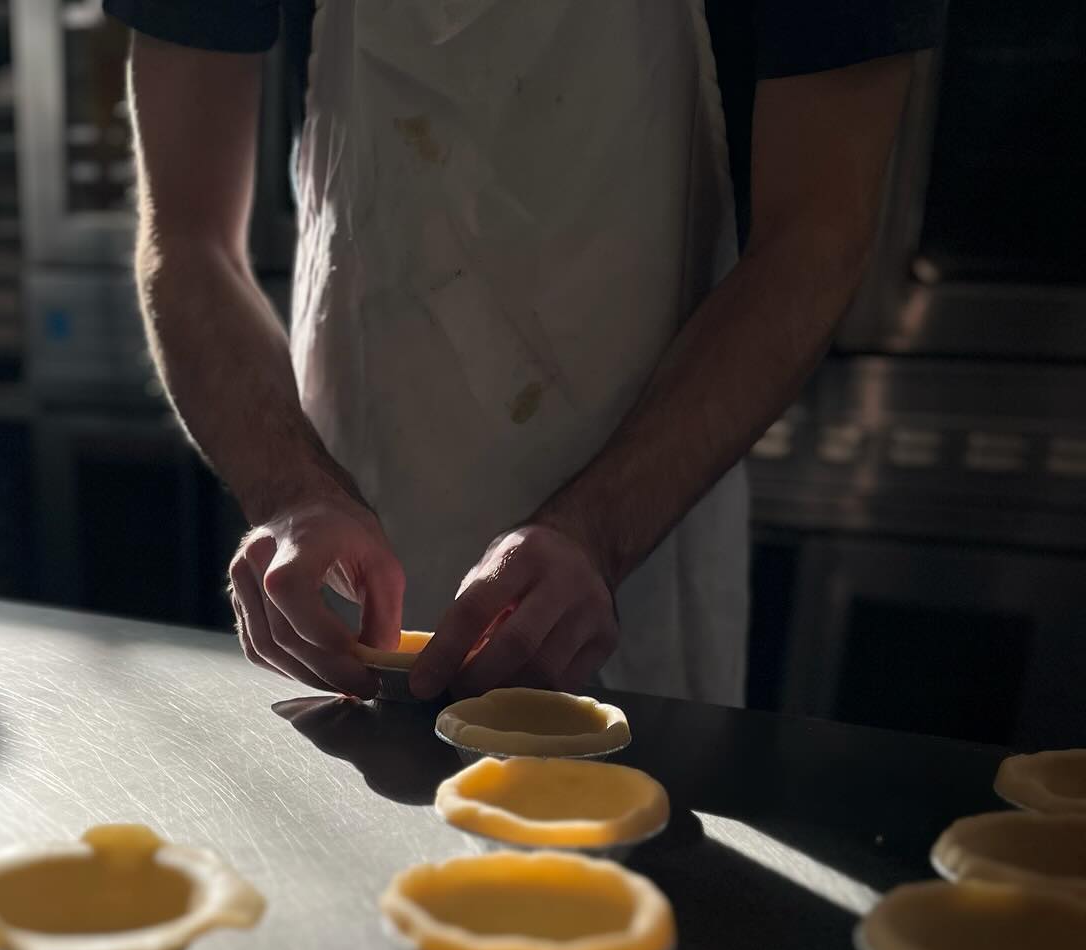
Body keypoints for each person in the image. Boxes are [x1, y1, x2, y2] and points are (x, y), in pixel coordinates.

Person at [117, 1, 943, 703]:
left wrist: (598, 532)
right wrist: (292, 491)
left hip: (638, 548)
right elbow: (189, 238)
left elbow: (816, 237)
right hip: (340, 569)